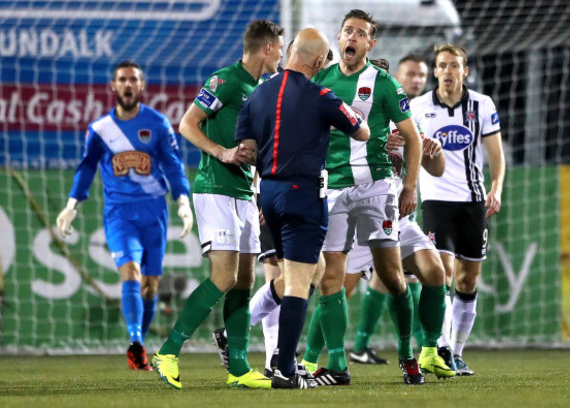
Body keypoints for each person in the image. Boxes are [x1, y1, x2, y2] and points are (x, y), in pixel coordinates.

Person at [150, 19, 284, 390]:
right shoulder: (224, 80)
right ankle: (168, 351)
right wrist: (222, 152)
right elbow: (188, 124)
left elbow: (252, 146)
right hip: (214, 188)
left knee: (245, 278)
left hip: (243, 192)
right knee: (224, 276)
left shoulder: (262, 90)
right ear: (267, 48)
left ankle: (238, 367)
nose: (283, 56)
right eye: (281, 49)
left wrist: (255, 172)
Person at [236, 27, 369, 389]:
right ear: (319, 61)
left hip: (268, 195)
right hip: (303, 194)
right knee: (298, 281)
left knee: (313, 270)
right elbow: (361, 131)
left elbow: (246, 149)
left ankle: (239, 331)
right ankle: (284, 369)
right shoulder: (320, 94)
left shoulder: (256, 95)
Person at [298, 9, 424, 386]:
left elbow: (413, 139)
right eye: (347, 31)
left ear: (370, 43)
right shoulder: (319, 80)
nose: (352, 37)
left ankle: (406, 353)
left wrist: (409, 187)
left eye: (360, 33)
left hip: (377, 190)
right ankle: (336, 365)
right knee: (331, 279)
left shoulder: (384, 83)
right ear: (338, 39)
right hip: (332, 189)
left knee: (392, 276)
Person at [55, 61, 193, 371]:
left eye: (133, 79)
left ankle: (139, 346)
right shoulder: (100, 129)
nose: (128, 84)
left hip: (154, 212)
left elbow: (172, 165)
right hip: (119, 214)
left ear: (142, 87)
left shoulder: (157, 124)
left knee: (151, 286)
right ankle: (135, 342)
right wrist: (71, 204)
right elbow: (87, 167)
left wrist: (183, 200)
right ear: (113, 86)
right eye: (122, 79)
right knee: (129, 272)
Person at [411, 43, 505, 376]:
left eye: (454, 66)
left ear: (464, 71)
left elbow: (495, 152)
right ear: (434, 71)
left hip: (473, 202)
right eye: (442, 66)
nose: (448, 72)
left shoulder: (482, 105)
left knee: (468, 281)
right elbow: (408, 144)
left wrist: (497, 187)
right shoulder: (419, 106)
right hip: (436, 202)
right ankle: (443, 347)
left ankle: (458, 351)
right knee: (443, 274)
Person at [350, 54, 431, 363]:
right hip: (359, 203)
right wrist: (378, 142)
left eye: (421, 75)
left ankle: (413, 348)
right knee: (331, 282)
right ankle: (318, 356)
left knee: (396, 276)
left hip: (398, 206)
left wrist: (429, 150)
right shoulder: (360, 113)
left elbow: (427, 156)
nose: (416, 80)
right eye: (410, 74)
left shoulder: (416, 115)